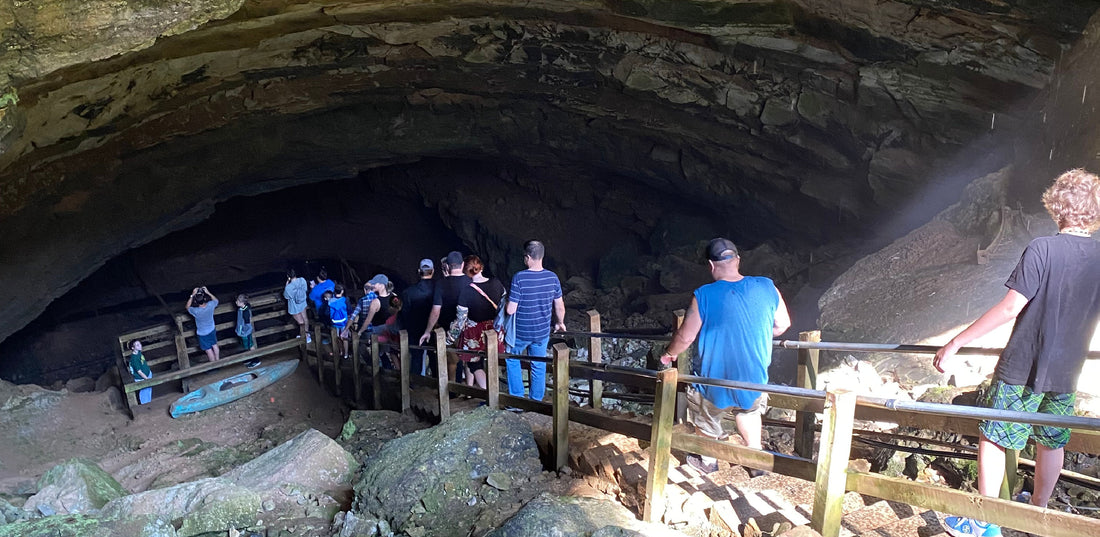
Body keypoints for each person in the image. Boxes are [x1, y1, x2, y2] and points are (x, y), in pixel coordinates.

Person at [933, 169, 1100, 537]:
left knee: (994, 436)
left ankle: (984, 521)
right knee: (1050, 439)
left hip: (1023, 363)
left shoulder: (1043, 248)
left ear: (1057, 206)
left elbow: (1011, 307)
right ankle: (1037, 514)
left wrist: (956, 341)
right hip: (1067, 370)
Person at [660, 238, 791, 474]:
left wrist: (668, 355)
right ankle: (755, 460)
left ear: (711, 265)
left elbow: (686, 337)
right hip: (753, 374)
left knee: (707, 414)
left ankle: (708, 462)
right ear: (738, 260)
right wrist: (753, 334)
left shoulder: (704, 295)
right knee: (749, 411)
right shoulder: (767, 286)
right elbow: (783, 325)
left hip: (714, 378)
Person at [504, 240, 566, 403]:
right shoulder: (552, 277)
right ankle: (536, 401)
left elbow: (511, 309)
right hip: (541, 331)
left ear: (527, 257)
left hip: (521, 332)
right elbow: (559, 306)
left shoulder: (519, 278)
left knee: (512, 359)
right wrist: (560, 323)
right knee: (538, 364)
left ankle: (517, 401)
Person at [453, 255, 506, 390]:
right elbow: (504, 305)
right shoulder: (497, 283)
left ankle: (491, 394)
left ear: (466, 270)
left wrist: (450, 337)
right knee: (493, 360)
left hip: (475, 333)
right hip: (494, 328)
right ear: (481, 267)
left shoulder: (466, 291)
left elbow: (461, 319)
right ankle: (496, 392)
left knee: (475, 364)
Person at [420, 251, 472, 382]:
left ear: (447, 266)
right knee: (470, 361)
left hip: (447, 329)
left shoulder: (441, 284)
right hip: (468, 328)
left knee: (451, 362)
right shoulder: (471, 282)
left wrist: (427, 331)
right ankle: (468, 389)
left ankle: (452, 390)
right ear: (463, 265)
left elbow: (436, 310)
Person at [401, 259, 437, 375]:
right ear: (433, 271)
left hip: (415, 329)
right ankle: (438, 384)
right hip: (436, 329)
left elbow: (405, 313)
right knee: (436, 356)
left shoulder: (409, 292)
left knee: (416, 357)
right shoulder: (439, 289)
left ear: (418, 271)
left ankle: (414, 385)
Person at [187, 286, 221, 362]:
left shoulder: (196, 311)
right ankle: (218, 361)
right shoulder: (210, 305)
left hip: (202, 333)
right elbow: (216, 300)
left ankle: (214, 365)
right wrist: (207, 292)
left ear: (195, 301)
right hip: (211, 329)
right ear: (205, 299)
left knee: (208, 350)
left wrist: (192, 295)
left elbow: (187, 307)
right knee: (214, 345)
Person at [284, 269, 310, 343]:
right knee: (305, 318)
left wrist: (287, 284)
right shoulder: (302, 280)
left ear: (288, 276)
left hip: (294, 307)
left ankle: (304, 337)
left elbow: (286, 296)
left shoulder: (289, 287)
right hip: (302, 303)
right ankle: (307, 334)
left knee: (301, 322)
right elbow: (305, 289)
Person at [236, 294, 261, 368]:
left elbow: (247, 323)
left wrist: (244, 331)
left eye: (237, 301)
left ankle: (256, 360)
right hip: (243, 331)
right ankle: (251, 357)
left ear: (242, 302)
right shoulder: (242, 309)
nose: (236, 302)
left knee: (250, 345)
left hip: (245, 332)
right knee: (247, 345)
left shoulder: (245, 312)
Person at [328, 284, 351, 360]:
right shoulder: (345, 300)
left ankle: (340, 351)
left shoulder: (331, 301)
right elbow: (349, 310)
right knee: (345, 338)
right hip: (344, 322)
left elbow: (329, 312)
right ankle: (346, 354)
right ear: (342, 291)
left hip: (334, 322)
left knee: (337, 338)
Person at [128, 340, 153, 405]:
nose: (140, 346)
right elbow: (139, 371)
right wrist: (146, 379)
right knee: (144, 391)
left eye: (140, 344)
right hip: (142, 378)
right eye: (137, 345)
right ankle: (145, 406)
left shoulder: (138, 352)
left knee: (148, 390)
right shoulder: (134, 359)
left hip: (147, 374)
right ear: (133, 348)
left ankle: (149, 403)